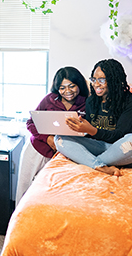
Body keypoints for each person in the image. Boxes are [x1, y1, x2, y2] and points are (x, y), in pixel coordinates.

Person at [54, 58, 132, 176]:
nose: (96, 84)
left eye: (101, 80)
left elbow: (120, 135)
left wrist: (91, 130)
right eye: (94, 79)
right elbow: (90, 134)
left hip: (122, 149)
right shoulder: (91, 101)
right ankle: (100, 166)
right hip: (101, 147)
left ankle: (91, 162)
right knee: (60, 138)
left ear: (114, 80)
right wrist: (79, 129)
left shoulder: (130, 103)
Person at [16, 66, 89, 204]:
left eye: (71, 86)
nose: (67, 91)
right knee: (24, 187)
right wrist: (48, 139)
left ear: (79, 84)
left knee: (46, 191)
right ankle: (17, 218)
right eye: (62, 88)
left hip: (63, 154)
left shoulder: (87, 103)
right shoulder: (49, 100)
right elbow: (31, 122)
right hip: (37, 148)